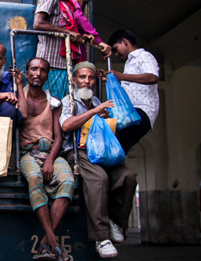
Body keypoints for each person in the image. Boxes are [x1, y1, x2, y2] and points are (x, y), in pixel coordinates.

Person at [59, 62, 136, 258]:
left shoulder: (95, 101)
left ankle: (116, 222)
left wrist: (104, 115)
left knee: (127, 176)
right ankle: (101, 238)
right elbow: (67, 126)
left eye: (91, 78)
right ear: (74, 79)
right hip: (78, 153)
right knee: (99, 179)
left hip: (100, 151)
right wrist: (94, 112)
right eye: (82, 77)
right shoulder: (69, 100)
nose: (86, 81)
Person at [14, 58, 74, 261]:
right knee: (34, 177)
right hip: (27, 153)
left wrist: (50, 160)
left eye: (42, 70)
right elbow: (19, 118)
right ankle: (54, 243)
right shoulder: (16, 97)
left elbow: (58, 137)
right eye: (34, 69)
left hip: (51, 153)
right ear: (27, 72)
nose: (38, 73)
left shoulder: (54, 102)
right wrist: (19, 85)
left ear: (48, 75)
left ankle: (45, 244)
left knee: (68, 181)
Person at [33, 0, 111, 99]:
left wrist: (82, 37)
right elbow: (38, 23)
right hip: (51, 63)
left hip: (63, 64)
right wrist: (68, 32)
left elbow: (69, 29)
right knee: (53, 104)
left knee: (62, 106)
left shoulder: (65, 1)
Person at [98, 29, 159, 155]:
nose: (116, 54)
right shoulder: (129, 63)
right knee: (116, 150)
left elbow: (153, 77)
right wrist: (110, 80)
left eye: (116, 49)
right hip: (131, 114)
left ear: (125, 42)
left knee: (106, 131)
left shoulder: (143, 56)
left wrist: (122, 76)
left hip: (141, 113)